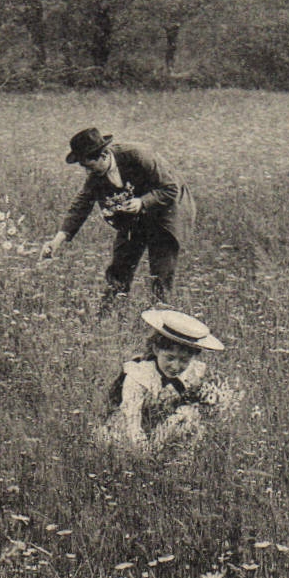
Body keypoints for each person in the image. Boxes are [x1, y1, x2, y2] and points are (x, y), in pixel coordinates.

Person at [40, 127, 196, 315]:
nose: (87, 172)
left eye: (89, 165)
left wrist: (142, 202)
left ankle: (163, 322)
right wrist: (57, 240)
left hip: (168, 210)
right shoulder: (96, 175)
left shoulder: (138, 155)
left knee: (160, 272)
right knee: (120, 265)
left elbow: (171, 188)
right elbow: (81, 205)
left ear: (103, 155)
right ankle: (107, 315)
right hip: (135, 214)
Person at [100, 308, 229, 449]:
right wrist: (144, 453)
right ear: (156, 350)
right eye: (170, 358)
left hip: (162, 430)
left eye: (184, 360)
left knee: (189, 414)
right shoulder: (139, 376)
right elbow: (131, 420)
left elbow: (214, 404)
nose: (176, 366)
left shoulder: (193, 374)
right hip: (128, 429)